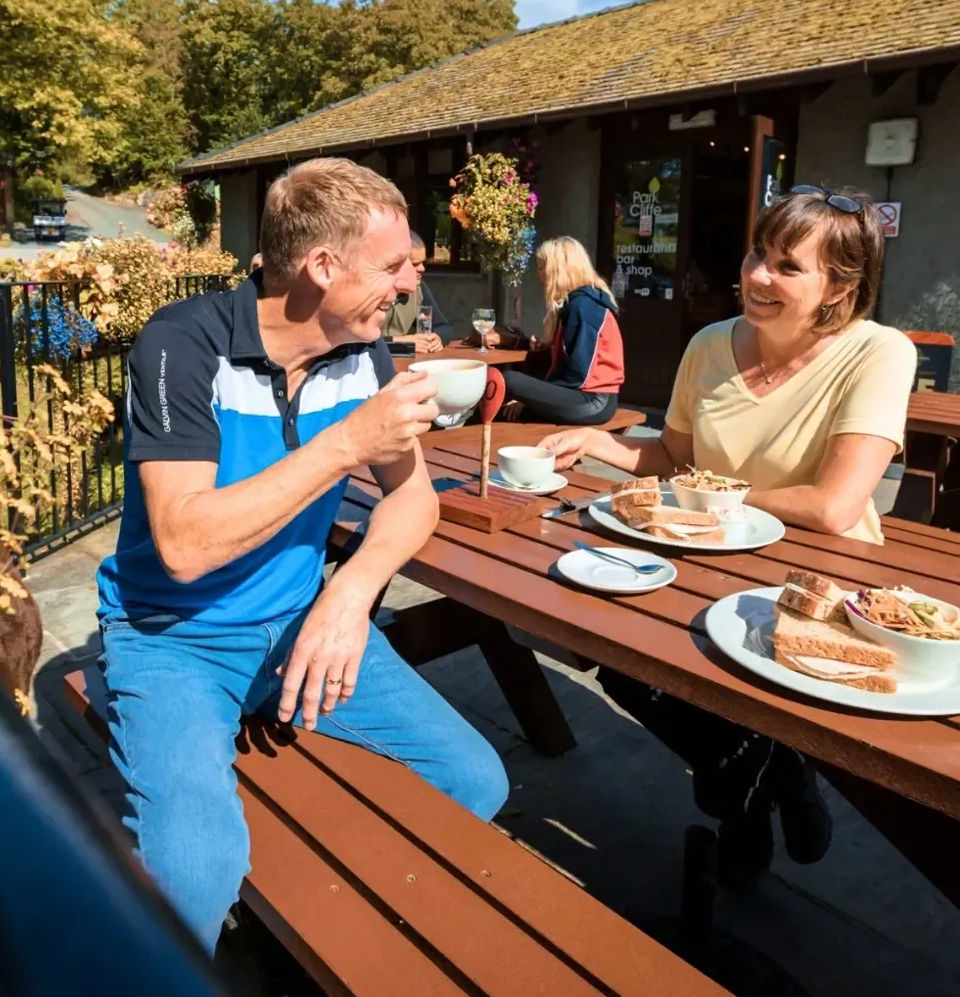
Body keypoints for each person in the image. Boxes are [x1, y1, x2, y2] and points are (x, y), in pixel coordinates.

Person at [95, 157, 509, 953]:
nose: (405, 285)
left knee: (473, 779)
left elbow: (414, 497)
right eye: (391, 267)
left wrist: (348, 595)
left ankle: (335, 933)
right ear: (322, 266)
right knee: (193, 879)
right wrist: (347, 442)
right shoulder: (183, 344)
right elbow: (183, 544)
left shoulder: (363, 352)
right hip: (170, 637)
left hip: (300, 622)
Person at [540, 185, 916, 884]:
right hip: (703, 557)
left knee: (733, 680)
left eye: (787, 266)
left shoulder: (878, 353)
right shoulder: (710, 344)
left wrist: (704, 507)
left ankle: (738, 801)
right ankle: (773, 777)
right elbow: (676, 460)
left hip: (818, 578)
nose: (757, 275)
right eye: (757, 254)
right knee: (618, 657)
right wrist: (597, 447)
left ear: (841, 284)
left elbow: (834, 507)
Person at [477, 236, 623, 426]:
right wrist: (522, 344)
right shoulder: (579, 303)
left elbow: (579, 374)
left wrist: (531, 400)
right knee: (511, 389)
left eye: (541, 268)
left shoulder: (584, 307)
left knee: (507, 380)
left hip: (592, 401)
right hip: (588, 398)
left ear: (558, 271)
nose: (538, 276)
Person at [382, 231, 454, 353]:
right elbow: (355, 343)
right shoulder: (370, 292)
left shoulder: (418, 288)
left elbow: (444, 327)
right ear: (394, 263)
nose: (422, 268)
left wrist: (437, 338)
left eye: (423, 262)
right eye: (415, 264)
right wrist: (398, 342)